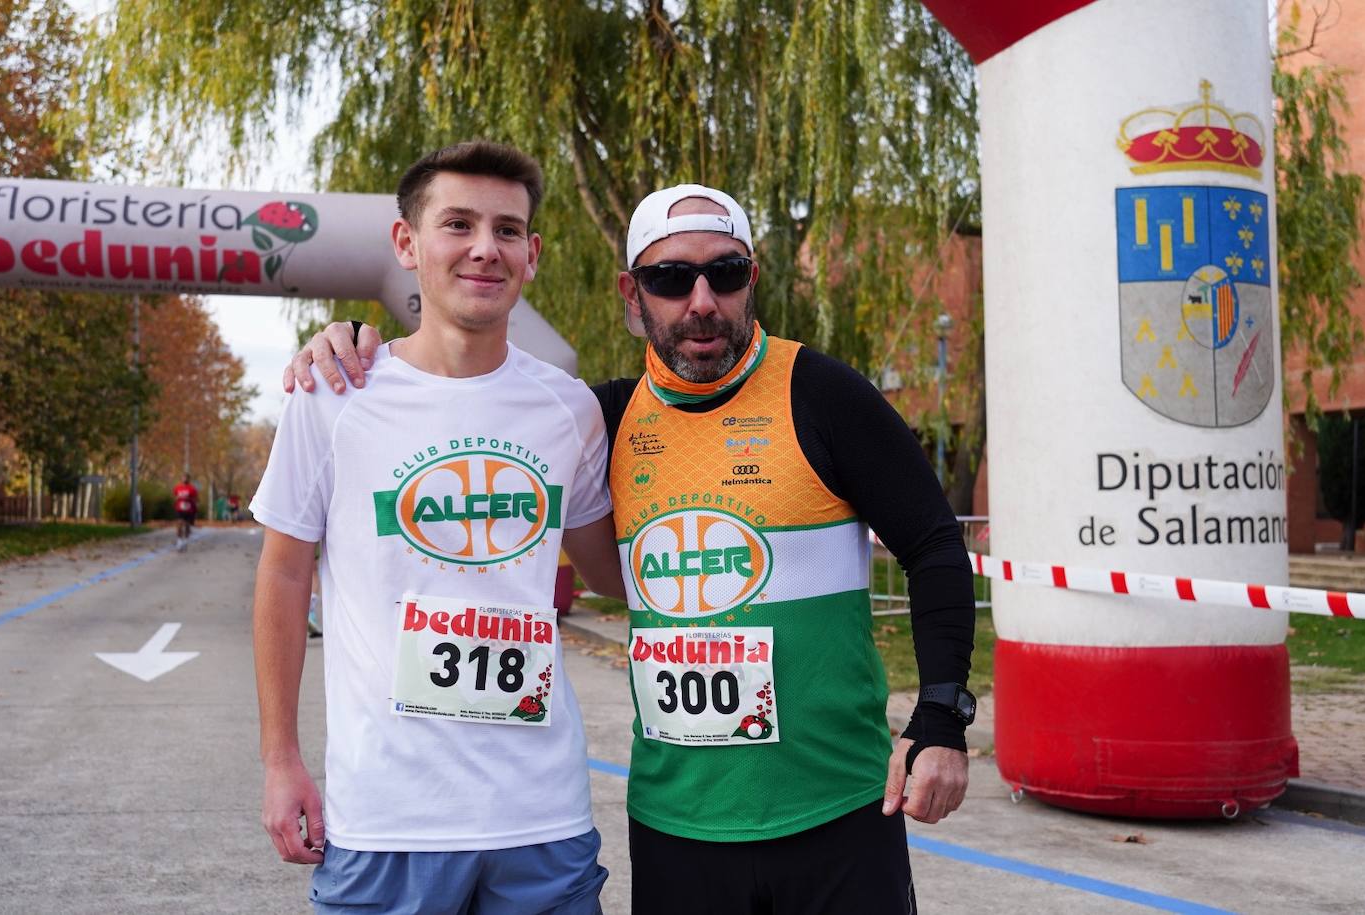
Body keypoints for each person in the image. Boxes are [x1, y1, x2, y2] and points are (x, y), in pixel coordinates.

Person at [288, 185, 977, 914]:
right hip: (676, 826)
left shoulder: (821, 393)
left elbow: (934, 545)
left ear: (752, 280)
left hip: (837, 810)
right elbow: (468, 403)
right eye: (671, 279)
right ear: (633, 293)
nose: (702, 301)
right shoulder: (600, 418)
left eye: (725, 274)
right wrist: (359, 347)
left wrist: (940, 719)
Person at [252, 141, 624, 914]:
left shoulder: (569, 409)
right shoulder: (332, 395)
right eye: (458, 224)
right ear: (406, 243)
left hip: (541, 819)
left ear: (531, 254)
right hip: (386, 819)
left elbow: (616, 575)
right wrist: (280, 758)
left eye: (507, 230)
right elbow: (284, 573)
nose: (485, 247)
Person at [172, 474, 198, 551]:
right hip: (179, 508)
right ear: (181, 479)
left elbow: (196, 499)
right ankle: (179, 542)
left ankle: (185, 541)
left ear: (189, 479)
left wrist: (189, 498)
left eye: (186, 478)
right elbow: (175, 496)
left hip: (189, 509)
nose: (185, 479)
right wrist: (177, 498)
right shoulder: (177, 487)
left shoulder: (192, 488)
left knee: (187, 526)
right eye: (183, 477)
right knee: (179, 524)